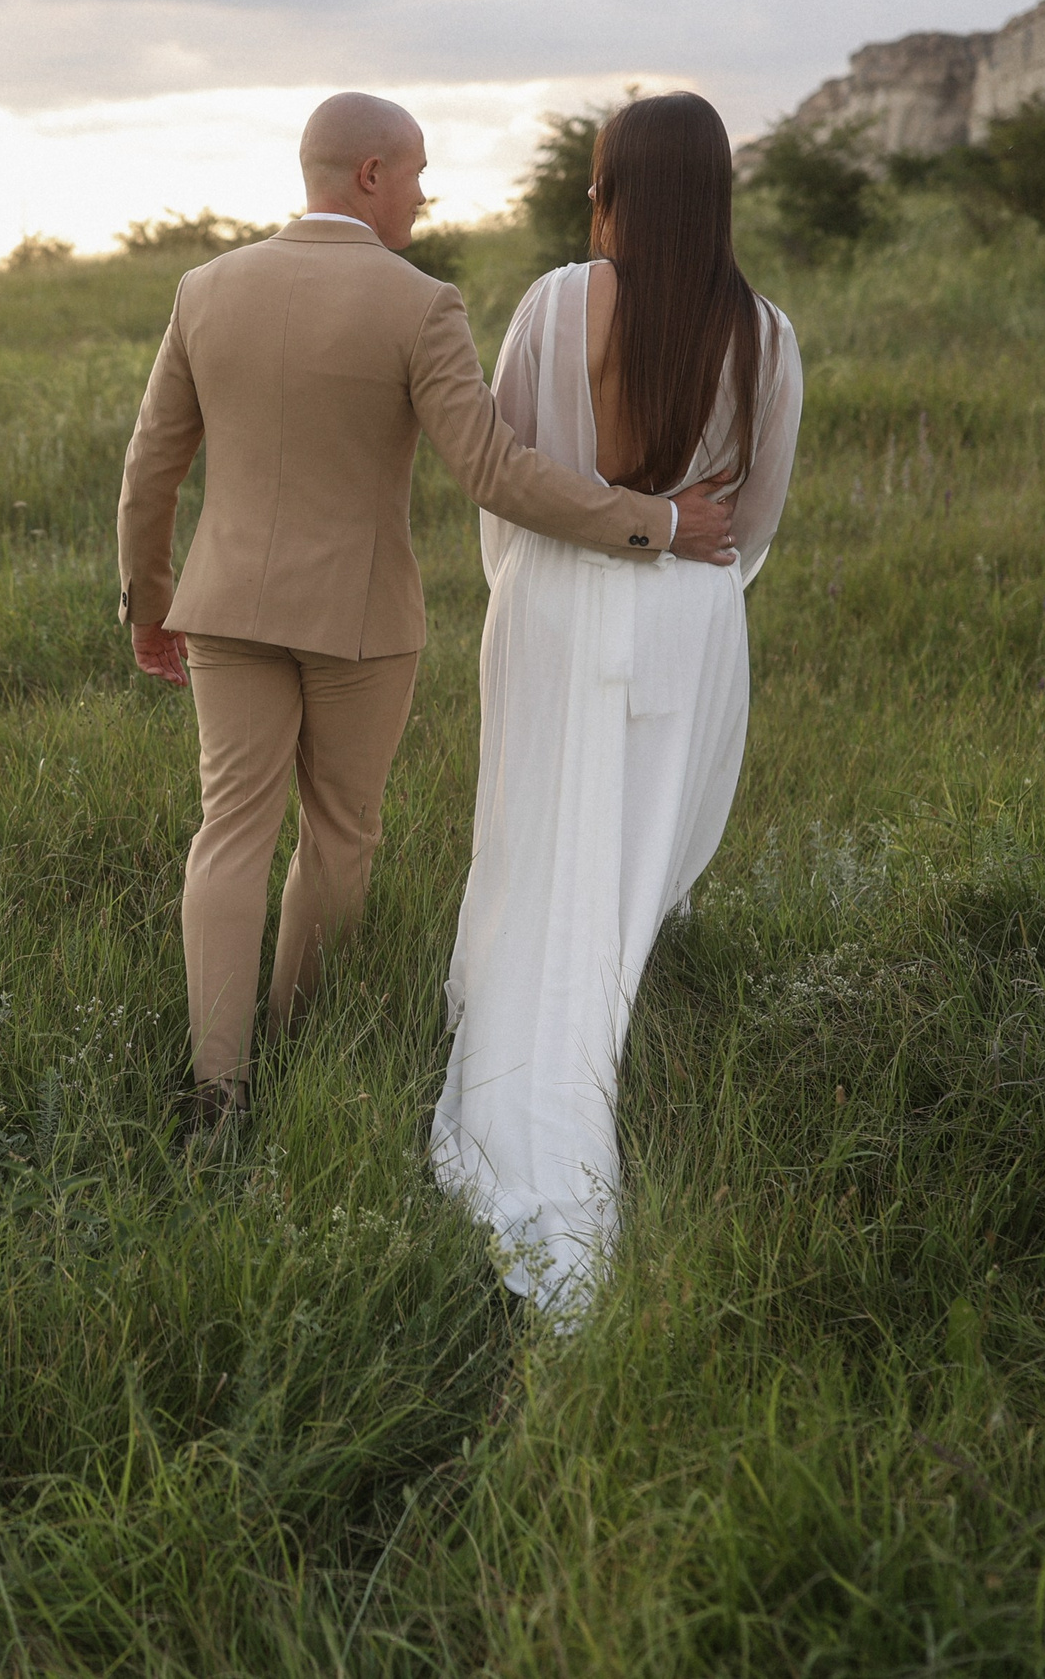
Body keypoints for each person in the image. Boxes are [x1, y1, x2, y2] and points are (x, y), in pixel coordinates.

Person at [117, 91, 741, 1152]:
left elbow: (151, 466)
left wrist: (147, 598)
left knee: (228, 833)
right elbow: (494, 473)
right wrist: (657, 523)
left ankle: (217, 1092)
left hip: (222, 608)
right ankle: (297, 1039)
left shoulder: (204, 288)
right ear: (368, 174)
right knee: (340, 836)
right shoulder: (418, 304)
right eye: (414, 172)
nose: (423, 191)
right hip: (360, 622)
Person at [429, 92, 805, 1320]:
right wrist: (687, 580)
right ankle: (608, 999)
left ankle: (531, 1043)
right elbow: (749, 527)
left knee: (539, 836)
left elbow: (515, 472)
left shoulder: (554, 301)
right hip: (690, 614)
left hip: (556, 599)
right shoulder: (767, 332)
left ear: (614, 188)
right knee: (638, 851)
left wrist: (538, 580)